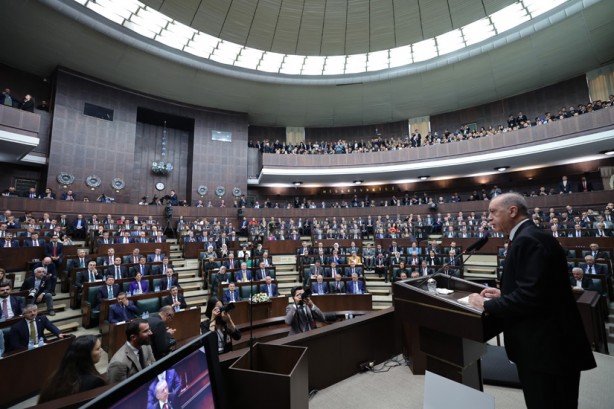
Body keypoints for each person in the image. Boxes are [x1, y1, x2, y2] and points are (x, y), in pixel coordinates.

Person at [468, 192, 596, 409]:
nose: (488, 218)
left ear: (512, 211)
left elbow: (530, 298)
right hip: (546, 345)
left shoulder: (529, 239)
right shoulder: (529, 236)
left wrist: (486, 304)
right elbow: (540, 288)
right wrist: (504, 293)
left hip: (546, 349)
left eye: (492, 212)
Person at [38, 335, 107, 403]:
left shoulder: (56, 377)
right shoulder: (94, 382)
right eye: (98, 349)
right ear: (86, 355)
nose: (102, 350)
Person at [107, 319, 155, 383]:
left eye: (149, 329)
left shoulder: (146, 346)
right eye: (145, 331)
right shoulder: (118, 363)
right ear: (133, 337)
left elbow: (154, 367)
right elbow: (119, 391)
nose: (151, 333)